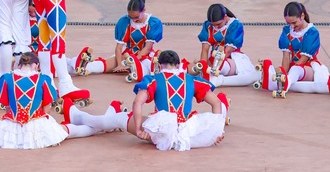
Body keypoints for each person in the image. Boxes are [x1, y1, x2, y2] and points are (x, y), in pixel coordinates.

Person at [71, 49, 226, 152]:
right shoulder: (192, 80)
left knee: (120, 119)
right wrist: (216, 131)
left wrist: (139, 130)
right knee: (118, 120)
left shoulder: (154, 79)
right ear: (178, 65)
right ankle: (84, 121)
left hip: (161, 132)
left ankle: (80, 118)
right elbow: (216, 103)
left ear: (159, 65)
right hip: (189, 135)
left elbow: (138, 102)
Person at [73, 0, 163, 82]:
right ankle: (81, 66)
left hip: (144, 56)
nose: (133, 20)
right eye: (131, 17)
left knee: (147, 66)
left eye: (136, 17)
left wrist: (133, 60)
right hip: (127, 55)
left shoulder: (153, 23)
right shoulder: (124, 21)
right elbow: (119, 48)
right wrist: (120, 64)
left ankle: (144, 69)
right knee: (104, 65)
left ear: (143, 10)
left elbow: (147, 48)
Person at [254, 2, 330, 96]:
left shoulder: (312, 32)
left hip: (308, 68)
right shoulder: (287, 30)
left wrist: (286, 74)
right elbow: (286, 57)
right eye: (288, 23)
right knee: (281, 70)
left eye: (294, 22)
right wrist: (283, 71)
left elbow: (303, 60)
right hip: (293, 68)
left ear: (302, 16)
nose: (292, 26)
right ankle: (281, 81)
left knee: (296, 69)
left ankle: (283, 83)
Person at [190, 3, 258, 87]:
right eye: (213, 25)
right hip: (214, 58)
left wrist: (214, 67)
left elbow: (228, 51)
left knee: (249, 77)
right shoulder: (208, 26)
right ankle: (213, 76)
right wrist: (204, 66)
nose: (216, 27)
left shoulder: (235, 25)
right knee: (193, 68)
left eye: (218, 24)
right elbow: (205, 49)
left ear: (225, 17)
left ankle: (219, 80)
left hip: (231, 58)